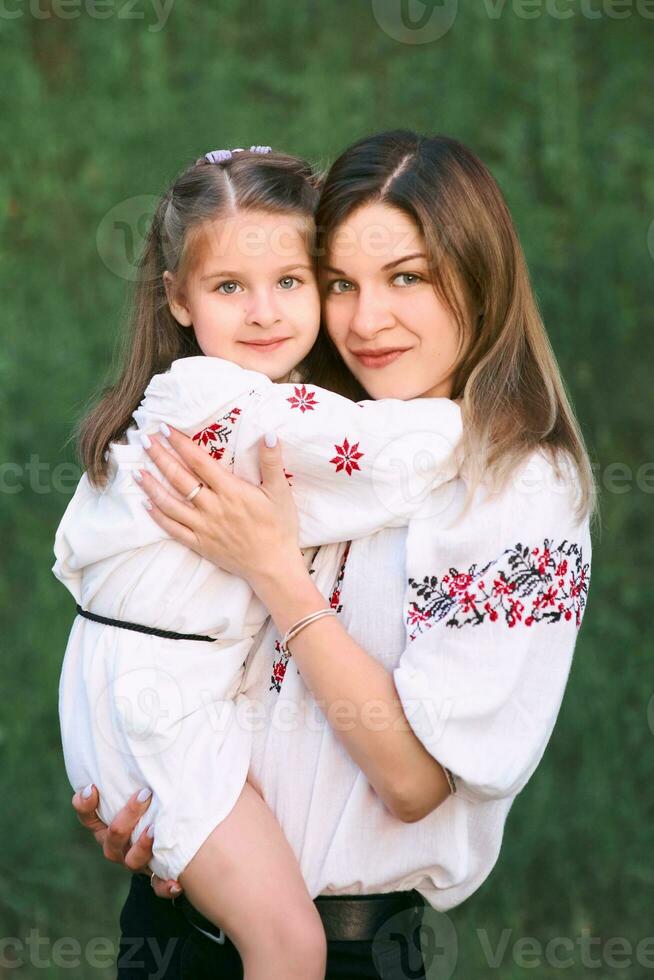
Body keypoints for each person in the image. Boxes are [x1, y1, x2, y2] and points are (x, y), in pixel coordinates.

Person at [71, 130, 594, 980]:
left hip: (340, 948)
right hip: (177, 927)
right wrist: (157, 801)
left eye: (409, 278)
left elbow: (414, 784)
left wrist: (275, 571)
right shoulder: (290, 426)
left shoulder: (516, 486)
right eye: (341, 282)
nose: (366, 319)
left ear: (481, 276)